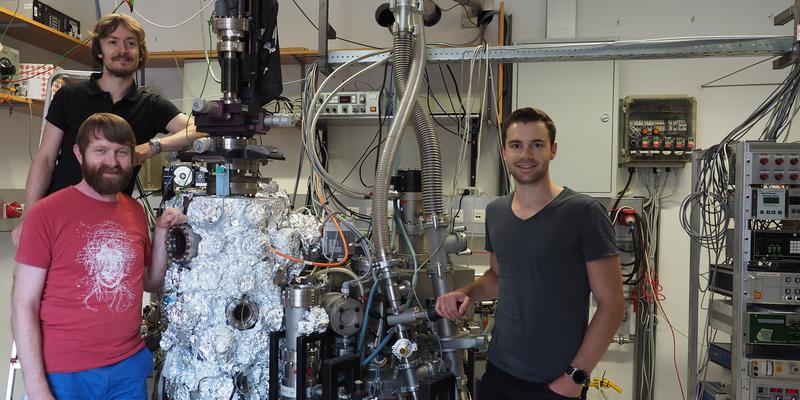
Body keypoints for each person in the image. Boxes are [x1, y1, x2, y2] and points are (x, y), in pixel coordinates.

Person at [436, 107, 625, 400]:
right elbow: (499, 276)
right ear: (504, 152)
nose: (526, 155)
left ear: (553, 150)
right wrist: (468, 292)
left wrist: (575, 377)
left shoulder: (583, 213)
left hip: (555, 382)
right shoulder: (496, 212)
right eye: (516, 145)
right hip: (499, 373)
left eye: (537, 145)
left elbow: (612, 305)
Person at [12, 113, 186, 400]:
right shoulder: (46, 213)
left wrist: (163, 232)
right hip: (64, 374)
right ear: (79, 154)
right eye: (101, 151)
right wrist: (38, 389)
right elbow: (23, 305)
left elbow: (150, 283)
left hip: (127, 371)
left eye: (121, 152)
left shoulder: (134, 211)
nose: (112, 161)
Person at [11, 13, 205, 245]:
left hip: (111, 223)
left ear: (140, 53)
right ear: (100, 50)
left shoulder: (150, 105)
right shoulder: (69, 96)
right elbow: (45, 159)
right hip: (58, 217)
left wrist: (152, 147)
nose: (122, 49)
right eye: (113, 42)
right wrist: (30, 217)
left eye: (130, 43)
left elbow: (201, 130)